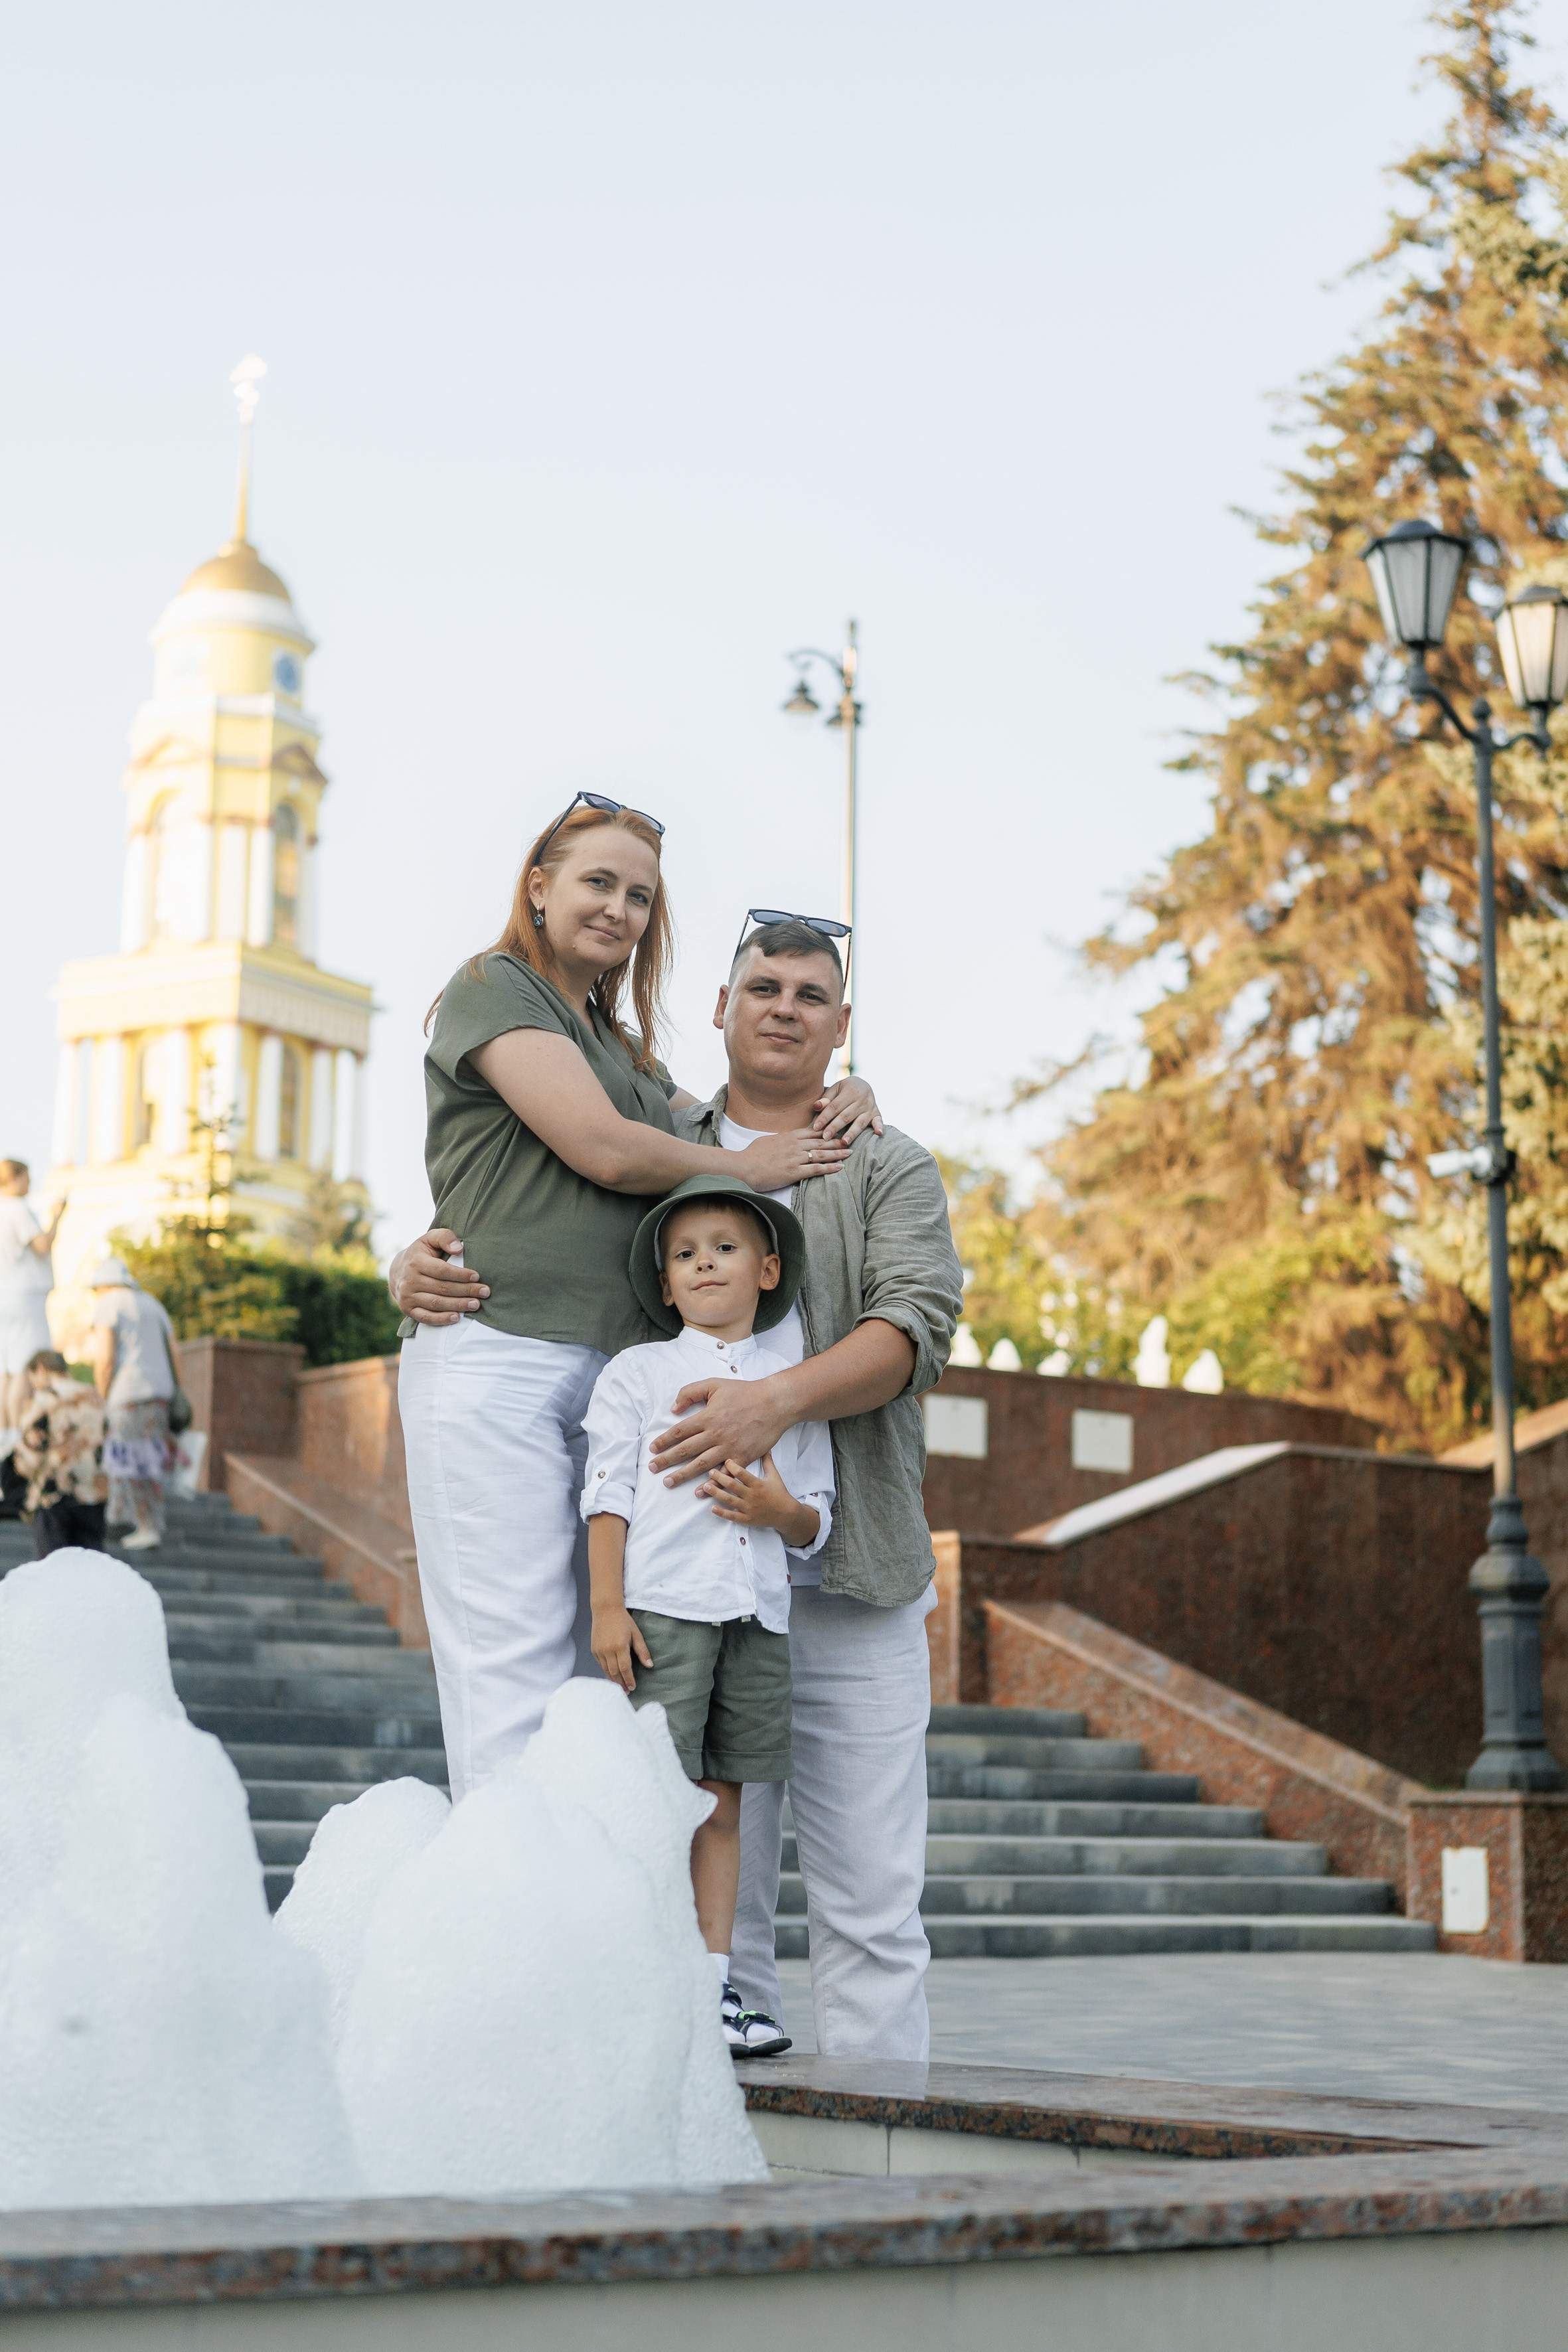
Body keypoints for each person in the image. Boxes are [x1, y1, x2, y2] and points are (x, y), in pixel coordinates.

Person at [394, 915, 963, 2059]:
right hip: (692, 1589)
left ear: (841, 1027)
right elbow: (538, 1221)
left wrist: (779, 1399)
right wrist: (407, 1262)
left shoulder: (885, 1159)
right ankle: (725, 2181)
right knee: (712, 1913)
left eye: (811, 993)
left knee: (867, 1905)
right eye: (763, 984)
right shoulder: (661, 1140)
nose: (784, 1006)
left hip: (846, 1575)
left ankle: (890, 2196)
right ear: (720, 1006)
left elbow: (914, 1330)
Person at [394, 797, 880, 1808]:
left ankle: (580, 1943)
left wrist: (853, 1086)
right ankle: (506, 1941)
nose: (618, 908)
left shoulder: (621, 1049)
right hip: (497, 1356)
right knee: (511, 1681)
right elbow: (609, 1149)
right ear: (538, 886)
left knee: (596, 1676)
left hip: (607, 1380)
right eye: (596, 882)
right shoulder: (496, 987)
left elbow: (697, 1124)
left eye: (639, 895)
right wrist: (750, 1163)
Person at [583, 1174, 833, 2059]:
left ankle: (709, 1984)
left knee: (723, 1802)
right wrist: (606, 1607)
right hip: (666, 1609)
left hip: (755, 1618)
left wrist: (777, 1511)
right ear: (665, 1283)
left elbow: (815, 1515)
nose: (703, 1264)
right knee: (656, 1798)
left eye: (723, 1248)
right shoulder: (639, 1372)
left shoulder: (791, 1388)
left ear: (767, 1268)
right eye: (684, 1254)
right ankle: (638, 1980)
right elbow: (605, 1491)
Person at [88, 1256, 179, 1552]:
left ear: (104, 1284)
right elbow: (174, 1352)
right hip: (159, 1392)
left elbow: (105, 1358)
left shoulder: (109, 1304)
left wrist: (101, 1396)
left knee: (129, 1456)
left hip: (127, 1392)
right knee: (149, 1456)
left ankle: (144, 1525)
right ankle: (133, 1518)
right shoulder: (154, 1305)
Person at [14, 1348, 108, 1557]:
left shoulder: (45, 1398)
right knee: (91, 1569)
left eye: (33, 1379)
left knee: (54, 1572)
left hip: (54, 1494)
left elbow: (30, 1455)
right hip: (94, 1494)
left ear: (40, 1369)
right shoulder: (94, 1397)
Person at [0, 1161, 65, 1449]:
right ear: (14, 1178)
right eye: (27, 1177)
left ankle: (4, 1431)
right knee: (25, 1367)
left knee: (6, 1369)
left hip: (6, 1295)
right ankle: (16, 1432)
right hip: (25, 1296)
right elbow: (42, 1245)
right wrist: (57, 1217)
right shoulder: (17, 1209)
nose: (31, 1183)